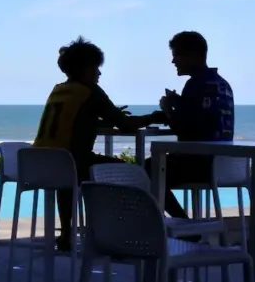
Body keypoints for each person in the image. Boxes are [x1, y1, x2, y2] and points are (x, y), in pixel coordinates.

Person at [33, 37, 157, 250]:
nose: (99, 73)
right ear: (86, 68)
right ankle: (159, 228)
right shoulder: (90, 91)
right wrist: (154, 116)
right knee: (139, 173)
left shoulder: (59, 90)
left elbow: (73, 118)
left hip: (43, 164)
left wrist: (99, 118)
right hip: (72, 163)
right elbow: (126, 125)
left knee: (68, 176)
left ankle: (66, 234)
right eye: (96, 68)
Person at [143, 31, 234, 219]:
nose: (173, 61)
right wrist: (181, 103)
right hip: (226, 165)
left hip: (201, 165)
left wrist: (167, 108)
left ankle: (182, 223)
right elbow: (203, 117)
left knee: (147, 169)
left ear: (192, 55)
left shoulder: (196, 84)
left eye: (177, 55)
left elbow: (183, 130)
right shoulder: (221, 84)